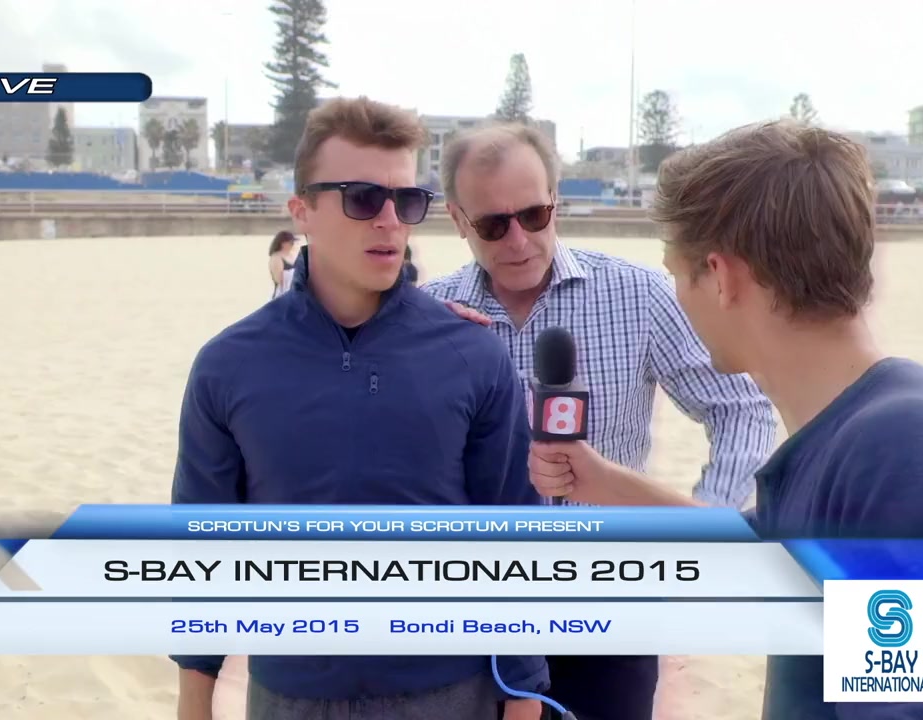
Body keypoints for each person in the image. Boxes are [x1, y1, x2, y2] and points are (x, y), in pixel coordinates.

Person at [527, 120, 923, 720]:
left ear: (722, 277)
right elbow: (761, 555)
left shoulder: (906, 455)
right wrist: (603, 482)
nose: (677, 297)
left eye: (676, 275)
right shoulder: (866, 433)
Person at [170, 96, 548, 720]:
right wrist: (195, 704)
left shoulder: (473, 354)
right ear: (302, 212)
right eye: (364, 199)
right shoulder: (226, 365)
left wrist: (525, 701)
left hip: (451, 692)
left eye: (407, 201)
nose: (390, 221)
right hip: (289, 696)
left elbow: (515, 538)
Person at [420, 122, 777, 720]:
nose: (518, 240)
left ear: (555, 200)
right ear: (458, 220)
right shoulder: (430, 316)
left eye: (533, 215)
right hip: (474, 608)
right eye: (493, 225)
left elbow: (739, 407)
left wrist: (704, 523)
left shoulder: (640, 296)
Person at [267, 230, 298, 298]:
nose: (293, 245)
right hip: (282, 295)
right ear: (283, 243)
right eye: (291, 242)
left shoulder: (292, 255)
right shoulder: (276, 257)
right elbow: (278, 280)